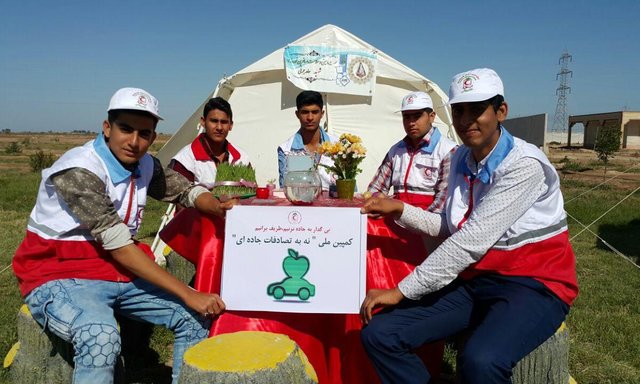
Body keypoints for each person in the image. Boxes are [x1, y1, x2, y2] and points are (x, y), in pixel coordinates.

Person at [359, 68, 578, 383]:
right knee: (381, 333)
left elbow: (468, 242)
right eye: (459, 110)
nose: (465, 120)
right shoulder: (462, 157)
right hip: (478, 279)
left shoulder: (524, 165)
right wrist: (399, 209)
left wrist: (400, 291)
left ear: (501, 111)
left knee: (482, 361)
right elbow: (448, 226)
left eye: (477, 109)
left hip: (534, 284)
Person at [12, 87, 234, 384]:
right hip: (58, 273)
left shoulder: (145, 163)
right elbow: (118, 245)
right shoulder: (80, 169)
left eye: (144, 133)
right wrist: (189, 293)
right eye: (125, 129)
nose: (134, 141)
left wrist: (217, 206)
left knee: (196, 318)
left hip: (115, 270)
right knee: (100, 338)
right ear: (107, 128)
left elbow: (185, 191)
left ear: (153, 137)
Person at [367, 91, 457, 210]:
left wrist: (413, 221)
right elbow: (376, 188)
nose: (411, 122)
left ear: (432, 116)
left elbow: (443, 202)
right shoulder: (396, 151)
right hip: (395, 219)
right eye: (406, 116)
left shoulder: (448, 150)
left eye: (417, 116)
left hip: (430, 224)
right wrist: (377, 199)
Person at [170, 97, 250, 189]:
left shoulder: (242, 157)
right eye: (214, 121)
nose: (219, 127)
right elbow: (180, 200)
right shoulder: (186, 159)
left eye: (224, 122)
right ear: (203, 122)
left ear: (231, 125)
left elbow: (251, 191)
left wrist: (237, 201)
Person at [277, 90, 338, 190]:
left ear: (322, 114)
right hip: (300, 203)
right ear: (297, 114)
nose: (310, 117)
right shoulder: (286, 150)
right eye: (305, 112)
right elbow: (285, 189)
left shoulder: (338, 146)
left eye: (315, 112)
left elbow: (349, 188)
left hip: (334, 205)